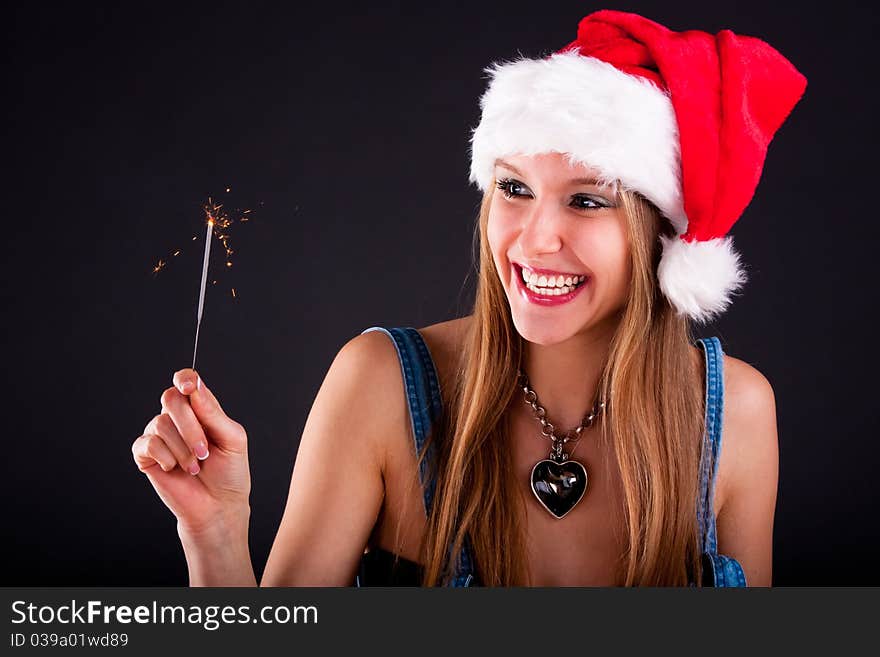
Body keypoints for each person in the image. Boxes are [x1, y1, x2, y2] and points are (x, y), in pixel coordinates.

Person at [132, 9, 806, 587]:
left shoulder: (736, 413)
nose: (535, 239)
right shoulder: (379, 386)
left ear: (660, 233)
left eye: (587, 200)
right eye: (514, 189)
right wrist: (216, 533)